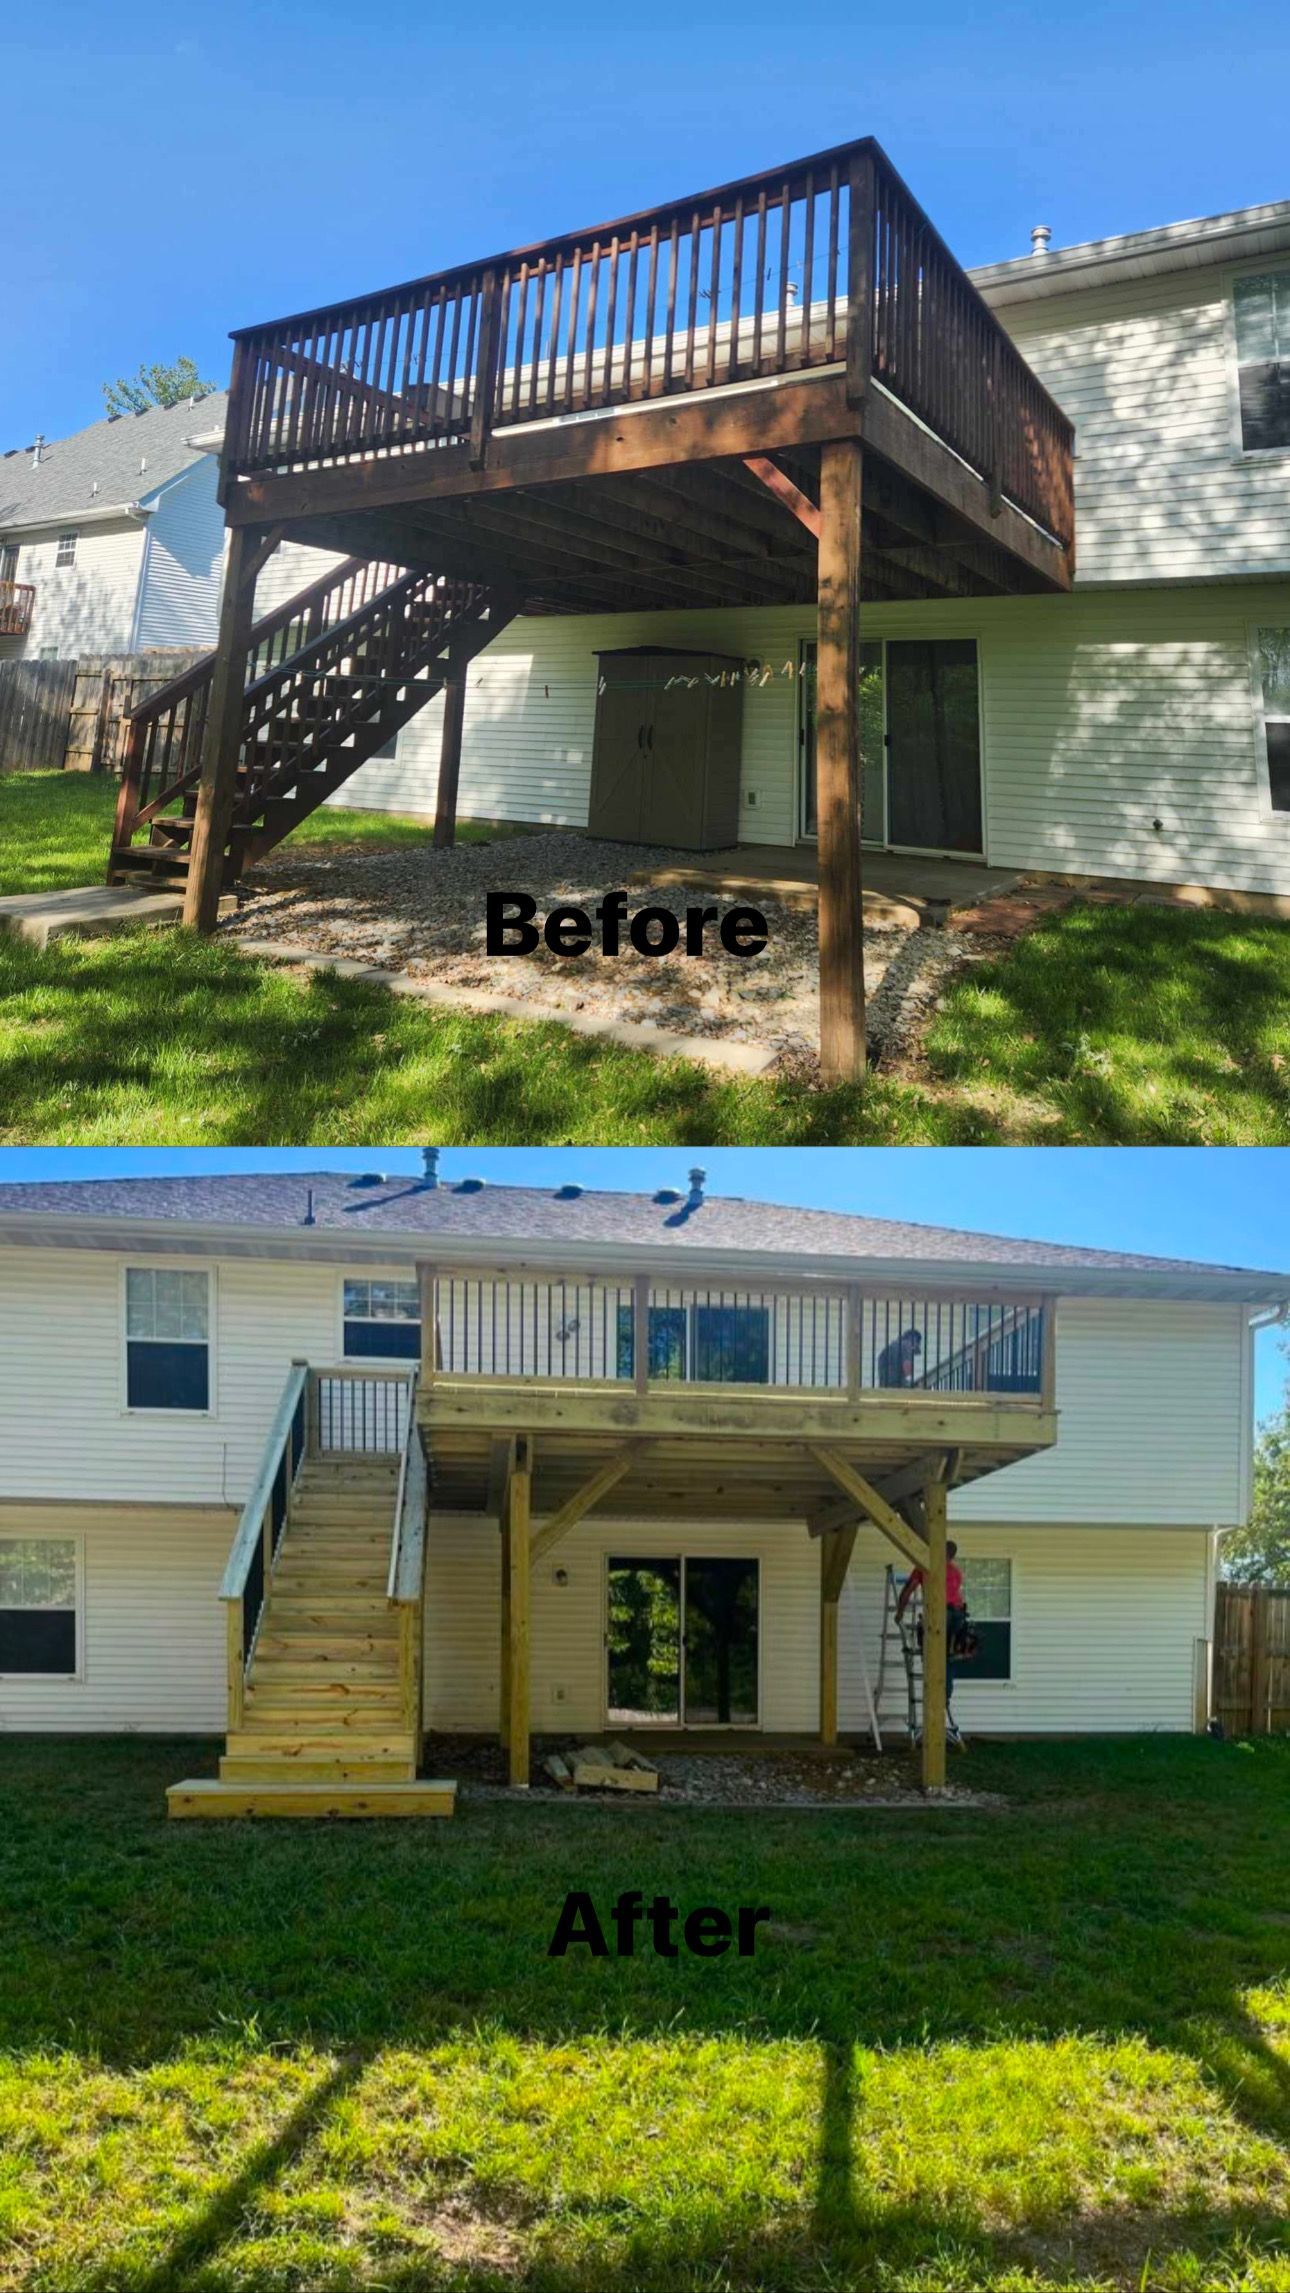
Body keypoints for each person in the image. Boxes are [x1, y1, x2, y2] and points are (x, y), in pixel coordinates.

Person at [896, 1541, 968, 1710]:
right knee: (948, 1658)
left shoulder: (924, 1567)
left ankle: (935, 1698)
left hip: (940, 1615)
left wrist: (899, 1613)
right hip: (957, 1616)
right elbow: (958, 1596)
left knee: (930, 1654)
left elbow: (907, 1591)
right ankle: (945, 1697)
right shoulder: (955, 1571)